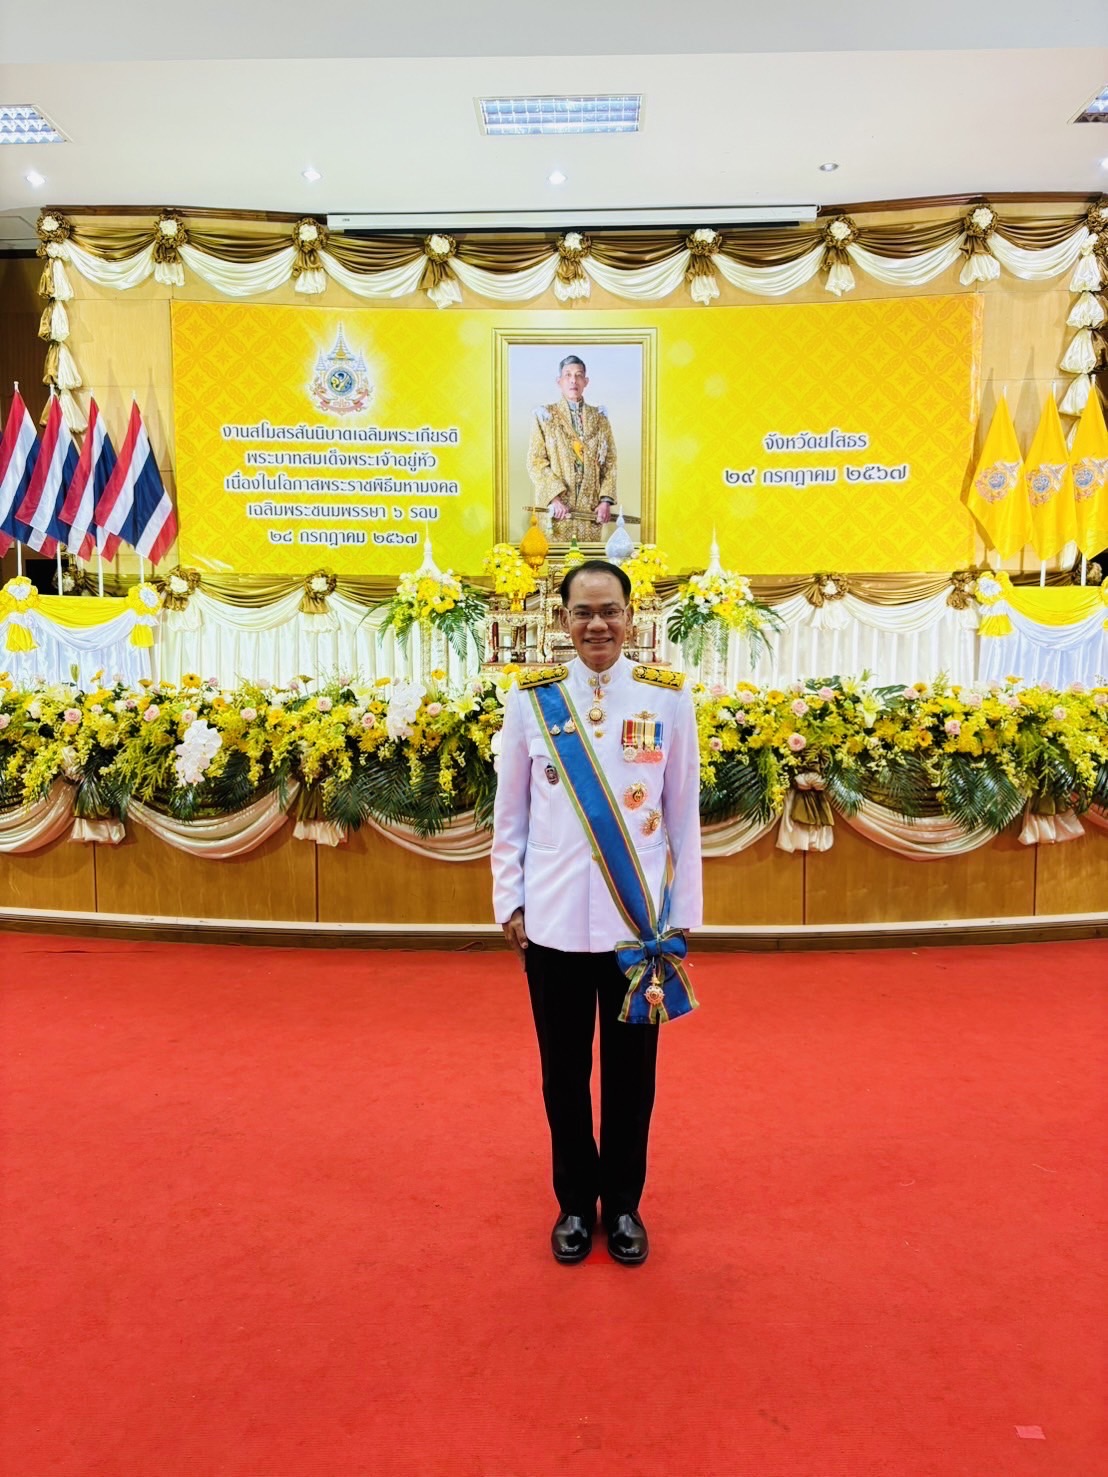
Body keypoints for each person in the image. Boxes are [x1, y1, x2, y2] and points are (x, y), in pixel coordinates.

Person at [491, 560, 702, 1265]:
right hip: (552, 922)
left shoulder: (667, 697)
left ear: (631, 616)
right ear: (562, 620)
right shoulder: (532, 700)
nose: (597, 624)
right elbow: (510, 814)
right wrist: (510, 898)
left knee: (631, 1076)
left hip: (635, 926)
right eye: (582, 612)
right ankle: (576, 1205)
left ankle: (626, 1204)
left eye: (610, 610)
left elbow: (682, 815)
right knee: (562, 1074)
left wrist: (682, 912)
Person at [526, 355, 618, 543]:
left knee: (587, 559)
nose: (573, 380)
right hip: (558, 510)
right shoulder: (545, 416)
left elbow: (610, 462)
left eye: (578, 375)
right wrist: (554, 498)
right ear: (559, 381)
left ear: (586, 381)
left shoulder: (600, 418)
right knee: (556, 560)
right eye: (567, 375)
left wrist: (605, 502)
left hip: (590, 511)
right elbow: (536, 461)